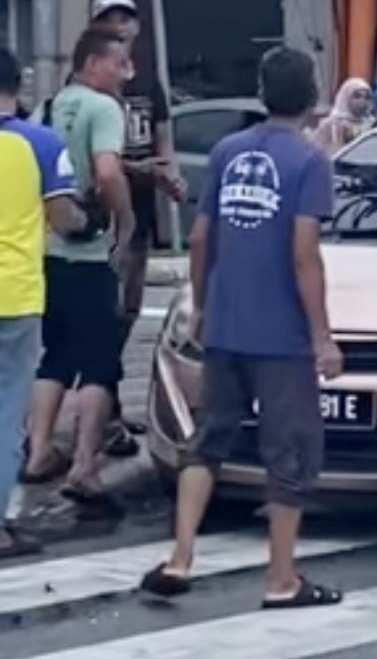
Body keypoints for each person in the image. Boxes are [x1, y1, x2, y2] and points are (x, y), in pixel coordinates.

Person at [142, 45, 340, 607]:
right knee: (289, 455)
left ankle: (180, 557)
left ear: (261, 91)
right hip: (281, 338)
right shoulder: (309, 164)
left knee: (206, 444)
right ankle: (281, 579)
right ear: (310, 97)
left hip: (225, 328)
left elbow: (202, 238)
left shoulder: (228, 152)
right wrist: (323, 336)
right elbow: (305, 254)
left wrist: (203, 307)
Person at [0, 46, 81, 563]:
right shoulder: (42, 143)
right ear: (20, 87)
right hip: (11, 294)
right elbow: (63, 219)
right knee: (3, 412)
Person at [24, 28, 133, 509]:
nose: (125, 73)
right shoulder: (103, 108)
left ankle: (38, 450)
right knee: (99, 362)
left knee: (56, 356)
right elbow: (107, 170)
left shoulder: (47, 108)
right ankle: (85, 465)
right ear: (92, 64)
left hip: (50, 249)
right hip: (91, 253)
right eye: (119, 63)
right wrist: (124, 221)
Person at [91, 0, 183, 359]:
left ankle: (108, 380)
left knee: (132, 300)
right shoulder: (87, 81)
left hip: (141, 202)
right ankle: (97, 383)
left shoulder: (147, 79)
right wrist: (133, 168)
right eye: (110, 20)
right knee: (102, 301)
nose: (119, 27)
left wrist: (170, 175)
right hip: (102, 205)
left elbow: (163, 138)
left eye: (125, 19)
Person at [316, 78, 377, 156]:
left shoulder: (372, 124)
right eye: (357, 96)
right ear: (345, 97)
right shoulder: (329, 124)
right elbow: (318, 151)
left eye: (367, 97)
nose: (362, 101)